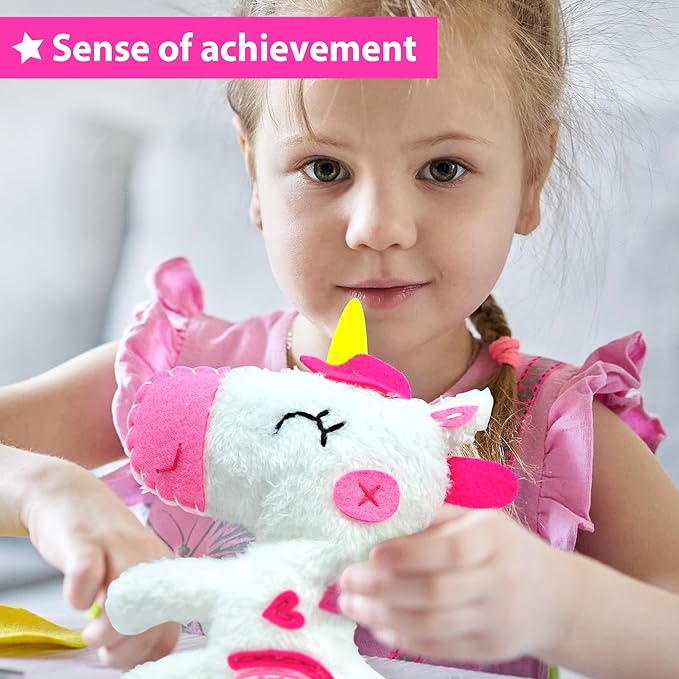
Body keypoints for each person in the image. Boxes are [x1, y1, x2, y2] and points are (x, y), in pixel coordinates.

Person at [1, 1, 677, 677]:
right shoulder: (175, 379)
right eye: (325, 168)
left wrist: (561, 606)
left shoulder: (559, 431)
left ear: (531, 176)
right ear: (254, 173)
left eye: (443, 168)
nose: (378, 227)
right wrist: (42, 489)